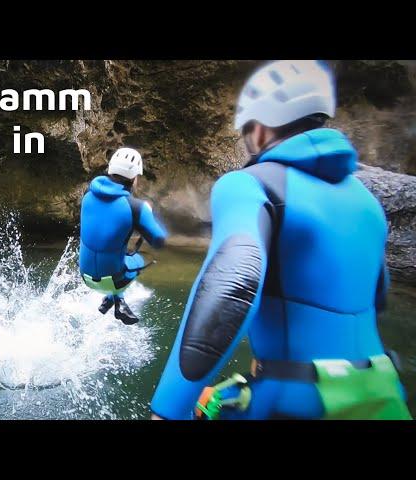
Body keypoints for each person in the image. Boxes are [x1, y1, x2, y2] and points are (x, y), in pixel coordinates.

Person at [150, 60, 412, 420]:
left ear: (258, 130)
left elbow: (233, 286)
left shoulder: (250, 184)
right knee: (217, 399)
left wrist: (168, 409)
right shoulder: (368, 203)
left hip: (299, 402)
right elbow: (377, 296)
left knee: (198, 406)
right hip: (384, 394)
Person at [79, 147, 168, 325]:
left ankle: (114, 301)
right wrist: (147, 213)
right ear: (134, 177)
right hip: (114, 279)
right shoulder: (136, 207)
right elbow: (159, 240)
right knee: (141, 259)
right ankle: (116, 299)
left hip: (85, 275)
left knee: (101, 247)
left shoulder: (87, 196)